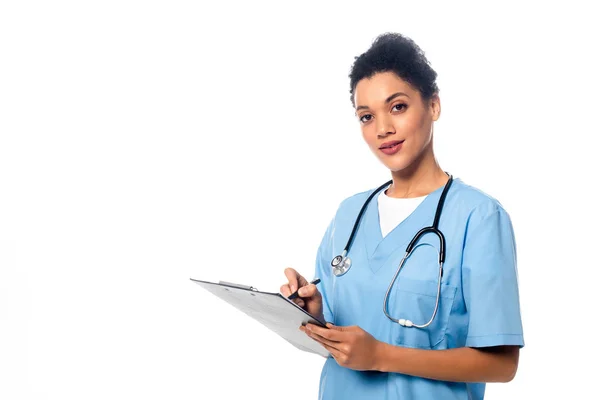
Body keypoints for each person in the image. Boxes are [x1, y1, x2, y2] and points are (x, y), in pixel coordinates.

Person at [280, 32, 524, 400]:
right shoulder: (350, 214)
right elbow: (343, 328)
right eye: (366, 116)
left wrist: (381, 356)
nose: (383, 129)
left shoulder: (479, 218)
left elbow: (502, 363)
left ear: (433, 106)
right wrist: (314, 313)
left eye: (397, 107)